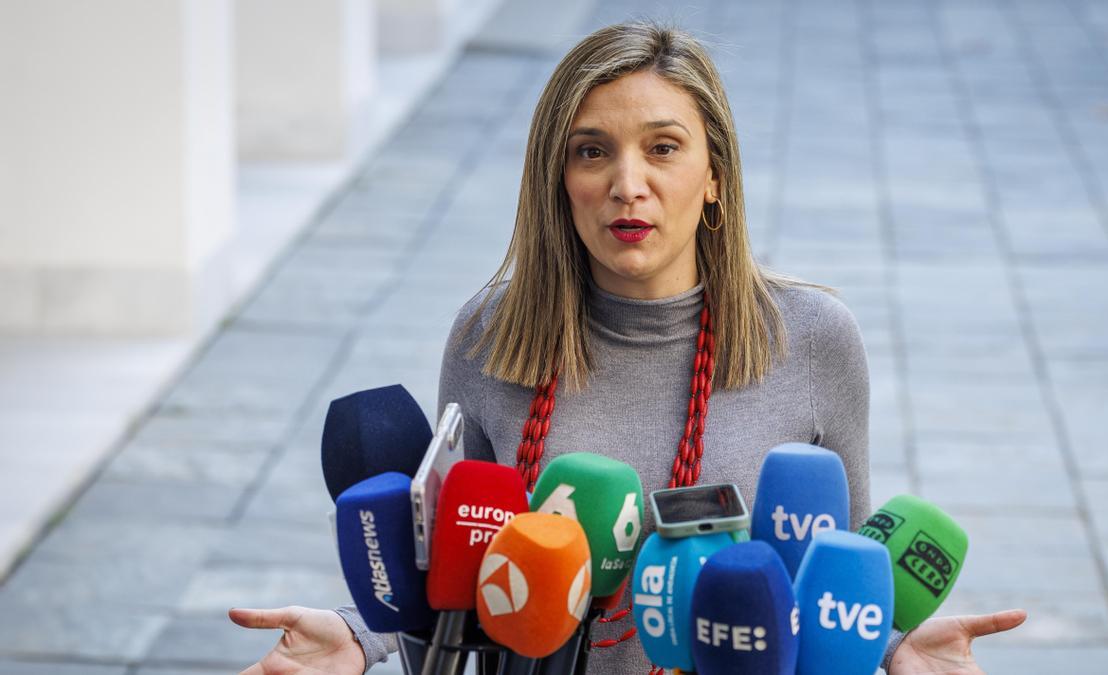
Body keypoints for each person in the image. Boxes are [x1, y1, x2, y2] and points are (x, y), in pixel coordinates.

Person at [230, 20, 1026, 675]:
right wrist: (361, 639)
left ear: (715, 174)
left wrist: (892, 647)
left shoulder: (815, 339)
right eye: (592, 150)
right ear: (558, 179)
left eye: (664, 147)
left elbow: (836, 580)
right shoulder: (488, 336)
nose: (627, 182)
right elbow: (453, 570)